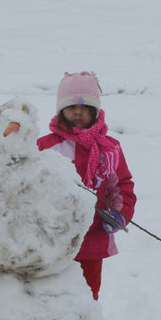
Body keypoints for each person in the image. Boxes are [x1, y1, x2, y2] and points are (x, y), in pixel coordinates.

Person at [36, 71, 136, 300]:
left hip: (93, 237)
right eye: (71, 107)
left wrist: (120, 213)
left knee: (87, 295)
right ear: (61, 111)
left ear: (95, 111)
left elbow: (123, 185)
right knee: (50, 294)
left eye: (85, 107)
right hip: (52, 239)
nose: (78, 112)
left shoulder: (109, 149)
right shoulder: (45, 146)